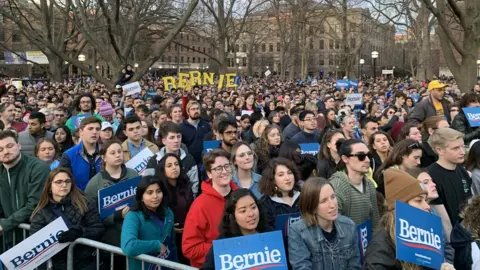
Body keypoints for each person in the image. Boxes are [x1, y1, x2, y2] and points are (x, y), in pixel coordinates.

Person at [364, 168, 455, 270]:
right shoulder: (381, 246)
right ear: (400, 206)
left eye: (425, 200)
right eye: (418, 200)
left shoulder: (424, 234)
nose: (427, 206)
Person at [30, 168, 105, 270]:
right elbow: (35, 242)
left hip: (87, 263)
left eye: (67, 181)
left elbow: (98, 229)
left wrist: (80, 233)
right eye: (59, 182)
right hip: (59, 265)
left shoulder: (85, 203)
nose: (64, 185)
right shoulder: (42, 211)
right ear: (49, 187)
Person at [288, 177, 362, 270]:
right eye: (324, 201)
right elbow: (301, 267)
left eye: (333, 197)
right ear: (312, 207)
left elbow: (354, 266)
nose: (332, 205)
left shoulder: (349, 226)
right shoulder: (298, 231)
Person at [182, 149, 238, 268]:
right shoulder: (200, 205)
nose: (224, 171)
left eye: (227, 166)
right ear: (209, 174)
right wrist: (225, 247)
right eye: (218, 168)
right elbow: (190, 248)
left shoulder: (242, 195)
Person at [201, 189, 273, 269]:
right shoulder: (223, 243)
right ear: (233, 216)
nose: (251, 214)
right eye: (243, 211)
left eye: (253, 207)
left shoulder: (271, 235)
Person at [85, 140, 138, 247]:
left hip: (134, 232)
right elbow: (90, 214)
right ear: (104, 157)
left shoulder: (133, 174)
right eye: (112, 153)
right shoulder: (95, 183)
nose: (118, 155)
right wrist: (116, 216)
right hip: (110, 238)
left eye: (119, 151)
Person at [0, 130, 49, 239]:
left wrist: (5, 224)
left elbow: (35, 203)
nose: (5, 151)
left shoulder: (38, 167)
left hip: (35, 235)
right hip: (9, 236)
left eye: (9, 146)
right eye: (0, 149)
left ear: (19, 145)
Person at [121, 176, 177, 270]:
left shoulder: (168, 213)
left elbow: (172, 245)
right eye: (149, 193)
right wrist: (157, 246)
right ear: (141, 196)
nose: (155, 196)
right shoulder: (133, 216)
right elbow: (128, 246)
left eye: (158, 191)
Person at [428, 128, 473, 242]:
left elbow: (468, 205)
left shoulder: (462, 171)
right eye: (456, 148)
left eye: (463, 146)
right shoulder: (430, 176)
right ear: (440, 150)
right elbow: (443, 221)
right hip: (451, 241)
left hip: (467, 235)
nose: (462, 152)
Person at [329, 139, 380, 231]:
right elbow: (332, 226)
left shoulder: (369, 184)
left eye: (368, 155)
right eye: (361, 156)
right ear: (345, 159)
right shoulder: (337, 186)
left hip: (366, 241)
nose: (367, 160)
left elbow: (375, 222)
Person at [154, 153, 194, 264]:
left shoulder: (185, 184)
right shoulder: (159, 189)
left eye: (176, 164)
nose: (174, 167)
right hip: (167, 235)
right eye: (169, 165)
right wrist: (171, 227)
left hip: (186, 232)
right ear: (163, 169)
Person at [146, 121, 198, 196]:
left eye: (178, 137)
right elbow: (148, 185)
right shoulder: (154, 161)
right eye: (172, 137)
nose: (176, 141)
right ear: (164, 141)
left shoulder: (189, 159)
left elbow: (194, 184)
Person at [60, 116, 102, 191]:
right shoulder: (69, 155)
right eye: (90, 129)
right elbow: (64, 182)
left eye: (98, 129)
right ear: (81, 132)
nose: (95, 132)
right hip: (78, 199)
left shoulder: (106, 152)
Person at [259, 157, 301, 228]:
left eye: (289, 173)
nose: (287, 178)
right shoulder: (265, 204)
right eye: (281, 175)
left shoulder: (303, 196)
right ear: (273, 180)